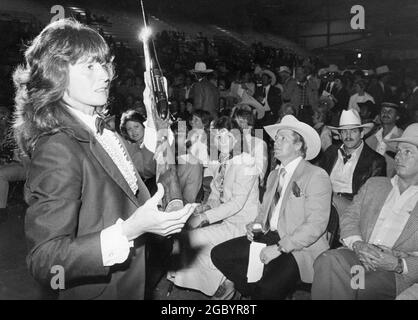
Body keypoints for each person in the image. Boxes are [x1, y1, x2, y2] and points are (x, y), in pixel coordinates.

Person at [13, 18, 196, 300]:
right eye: (89, 66)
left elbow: (138, 168)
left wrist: (153, 117)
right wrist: (131, 230)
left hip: (129, 281)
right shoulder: (58, 148)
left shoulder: (95, 126)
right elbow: (45, 262)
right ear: (56, 74)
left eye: (105, 64)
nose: (106, 75)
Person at [211, 115, 332, 300]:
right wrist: (255, 226)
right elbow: (264, 213)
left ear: (299, 145)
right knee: (219, 254)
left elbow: (316, 225)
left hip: (298, 248)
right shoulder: (274, 175)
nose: (276, 142)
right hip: (270, 236)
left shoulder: (315, 175)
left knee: (267, 288)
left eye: (283, 138)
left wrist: (279, 248)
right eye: (276, 138)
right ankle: (255, 290)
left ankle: (259, 291)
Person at [312, 123, 418, 300]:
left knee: (353, 283)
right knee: (326, 260)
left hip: (391, 272)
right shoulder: (376, 185)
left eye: (408, 152)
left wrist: (398, 264)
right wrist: (358, 244)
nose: (399, 156)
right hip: (358, 255)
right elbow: (349, 217)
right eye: (398, 151)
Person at [167, 116, 259, 298]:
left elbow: (237, 203)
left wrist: (204, 218)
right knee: (186, 238)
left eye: (224, 135)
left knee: (194, 240)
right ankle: (222, 282)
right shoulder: (223, 161)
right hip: (227, 221)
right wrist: (204, 207)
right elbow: (217, 196)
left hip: (244, 225)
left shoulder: (247, 162)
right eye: (216, 137)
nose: (220, 141)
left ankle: (224, 283)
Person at [320, 109, 386, 218]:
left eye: (353, 131)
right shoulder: (331, 153)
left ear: (362, 133)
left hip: (354, 209)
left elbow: (374, 199)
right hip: (324, 202)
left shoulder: (375, 161)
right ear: (340, 135)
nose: (348, 136)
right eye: (344, 131)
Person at [233, 108, 268, 188]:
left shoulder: (259, 144)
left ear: (250, 125)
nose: (238, 126)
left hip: (250, 189)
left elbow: (260, 174)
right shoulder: (232, 143)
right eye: (235, 122)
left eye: (241, 122)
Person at [366, 102, 403, 177]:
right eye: (383, 111)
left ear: (397, 117)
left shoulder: (402, 139)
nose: (386, 114)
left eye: (390, 111)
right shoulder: (371, 138)